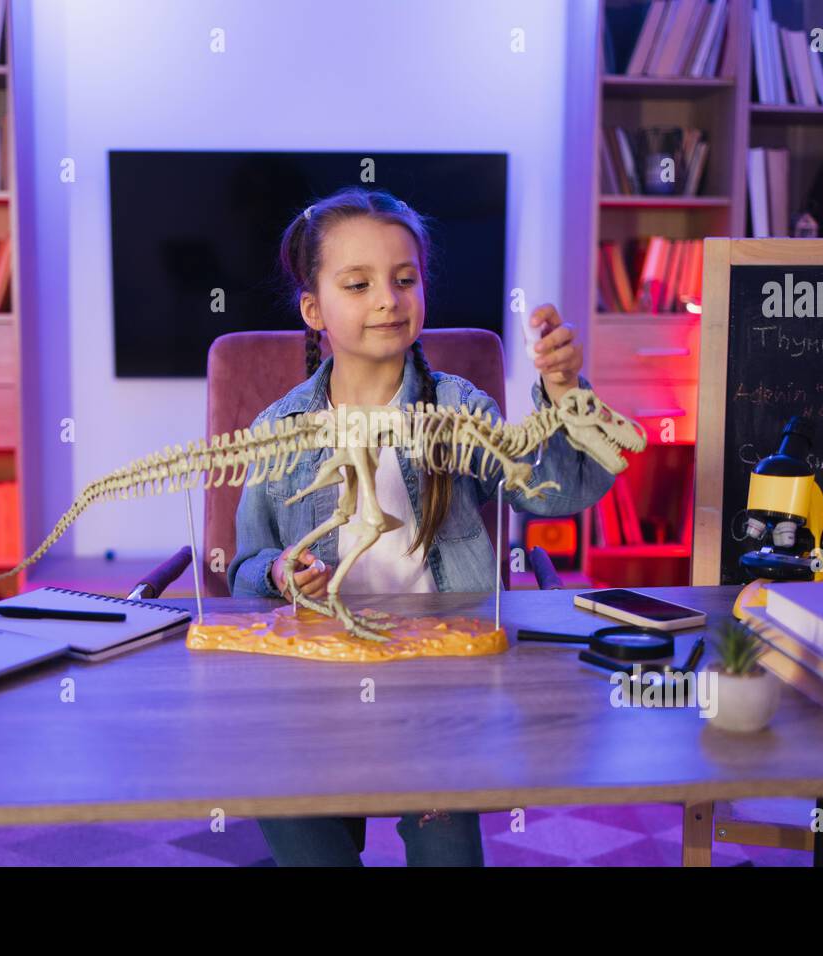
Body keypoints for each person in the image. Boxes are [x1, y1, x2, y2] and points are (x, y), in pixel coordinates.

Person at [227, 186, 616, 866]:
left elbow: (558, 491)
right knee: (294, 821)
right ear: (314, 309)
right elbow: (244, 569)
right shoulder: (277, 432)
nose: (389, 298)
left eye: (405, 280)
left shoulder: (461, 409)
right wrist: (278, 570)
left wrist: (563, 395)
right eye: (359, 283)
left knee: (449, 853)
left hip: (440, 680)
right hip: (316, 682)